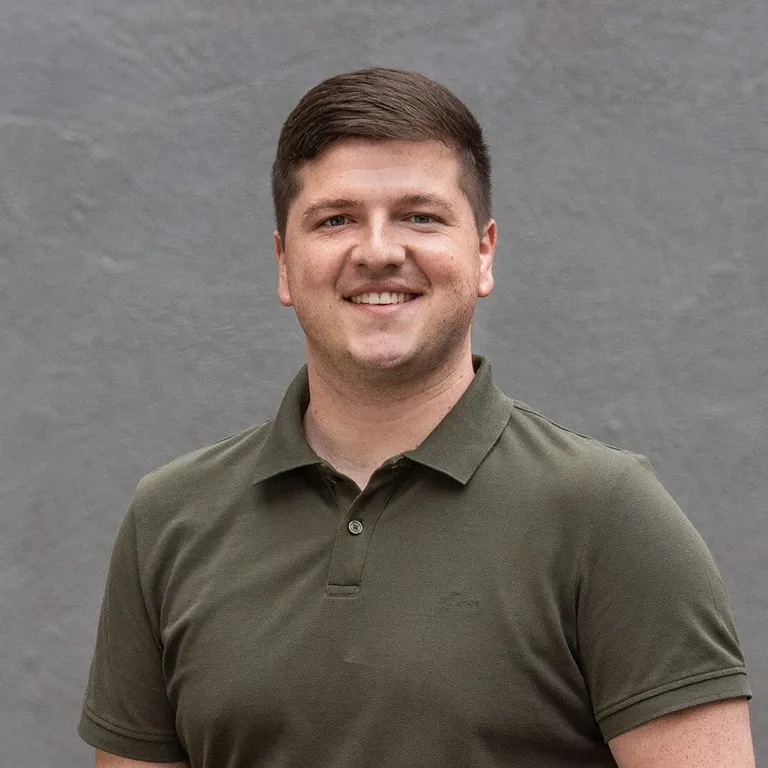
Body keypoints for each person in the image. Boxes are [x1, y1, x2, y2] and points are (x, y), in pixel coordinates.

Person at [78, 68, 755, 767]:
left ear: (483, 252)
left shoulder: (607, 516)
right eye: (335, 219)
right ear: (284, 262)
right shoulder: (171, 519)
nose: (377, 251)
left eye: (420, 216)